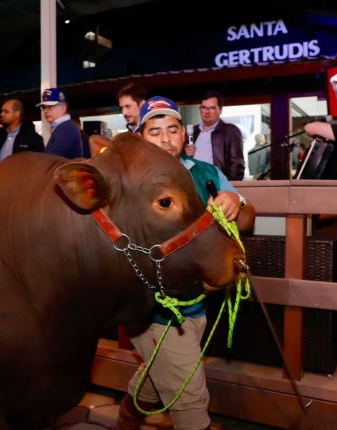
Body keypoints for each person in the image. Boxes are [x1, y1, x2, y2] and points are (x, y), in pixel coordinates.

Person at [115, 96, 255, 430]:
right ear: (140, 138)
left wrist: (237, 201)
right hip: (154, 310)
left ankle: (125, 421)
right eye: (155, 131)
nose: (165, 139)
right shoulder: (127, 184)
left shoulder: (206, 173)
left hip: (197, 303)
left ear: (184, 135)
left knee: (156, 380)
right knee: (190, 400)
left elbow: (248, 220)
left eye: (172, 130)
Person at [191, 91, 245, 181]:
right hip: (193, 186)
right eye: (204, 107)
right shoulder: (192, 132)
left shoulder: (230, 131)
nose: (207, 112)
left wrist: (227, 187)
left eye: (212, 108)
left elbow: (237, 165)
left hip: (217, 187)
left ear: (220, 110)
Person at [89, 82, 148, 157]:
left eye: (128, 106)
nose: (124, 112)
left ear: (142, 104)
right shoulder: (126, 136)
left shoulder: (151, 131)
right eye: (122, 108)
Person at [36, 88, 83, 159]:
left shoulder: (66, 128)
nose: (45, 111)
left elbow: (50, 160)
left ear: (63, 108)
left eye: (50, 107)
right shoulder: (63, 127)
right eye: (44, 107)